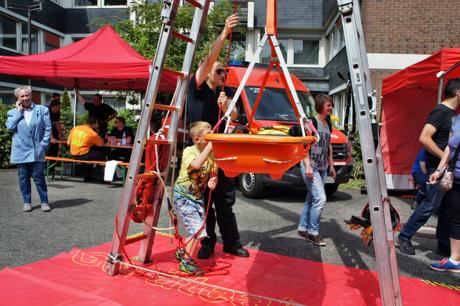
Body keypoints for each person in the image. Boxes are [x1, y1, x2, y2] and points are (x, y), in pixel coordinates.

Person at [186, 14, 249, 259]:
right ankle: (207, 243)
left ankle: (231, 242)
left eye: (224, 71)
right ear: (208, 71)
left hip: (220, 154)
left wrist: (227, 109)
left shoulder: (225, 91)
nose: (223, 74)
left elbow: (235, 116)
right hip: (201, 153)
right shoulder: (198, 86)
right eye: (219, 70)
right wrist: (224, 34)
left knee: (225, 201)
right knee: (204, 202)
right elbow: (211, 57)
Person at [398, 78, 460, 256]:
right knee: (429, 206)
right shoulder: (441, 111)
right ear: (458, 93)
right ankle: (404, 236)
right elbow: (424, 137)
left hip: (446, 170)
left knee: (448, 210)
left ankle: (443, 245)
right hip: (437, 168)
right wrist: (445, 159)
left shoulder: (451, 114)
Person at [173, 121, 218, 275]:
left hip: (197, 197)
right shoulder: (189, 151)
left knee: (199, 228)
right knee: (197, 229)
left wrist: (214, 179)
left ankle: (182, 251)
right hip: (184, 196)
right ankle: (186, 263)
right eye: (208, 134)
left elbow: (214, 170)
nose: (212, 136)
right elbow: (196, 165)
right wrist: (210, 147)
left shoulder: (212, 153)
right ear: (197, 139)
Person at [297, 94, 336, 246]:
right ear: (320, 106)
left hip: (323, 167)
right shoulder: (311, 123)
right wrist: (307, 165)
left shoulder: (328, 124)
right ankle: (313, 233)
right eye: (328, 105)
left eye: (331, 105)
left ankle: (302, 228)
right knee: (320, 199)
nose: (331, 108)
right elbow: (304, 145)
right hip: (311, 165)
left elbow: (328, 146)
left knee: (311, 199)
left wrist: (331, 165)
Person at [6, 86, 51, 212]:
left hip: (37, 150)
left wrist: (42, 145)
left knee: (39, 177)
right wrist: (19, 111)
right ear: (18, 98)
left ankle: (44, 201)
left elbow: (47, 129)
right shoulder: (12, 112)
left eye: (27, 95)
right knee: (23, 177)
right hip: (20, 150)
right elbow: (9, 127)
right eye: (22, 96)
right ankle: (27, 202)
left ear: (31, 96)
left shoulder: (42, 110)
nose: (25, 98)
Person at [429, 113, 460, 272]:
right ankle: (455, 260)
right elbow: (449, 147)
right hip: (456, 177)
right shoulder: (456, 119)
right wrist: (439, 170)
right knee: (455, 218)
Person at [67, 117, 106, 181]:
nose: (98, 125)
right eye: (97, 124)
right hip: (83, 155)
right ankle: (99, 176)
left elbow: (68, 143)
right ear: (95, 124)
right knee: (101, 155)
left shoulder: (75, 128)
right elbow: (101, 144)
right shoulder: (92, 133)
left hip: (73, 155)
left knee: (92, 155)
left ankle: (88, 175)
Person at [47, 98, 63, 179]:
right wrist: (52, 138)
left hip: (52, 134)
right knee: (48, 152)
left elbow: (57, 124)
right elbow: (47, 126)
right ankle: (44, 171)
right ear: (54, 107)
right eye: (59, 107)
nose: (59, 109)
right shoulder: (47, 111)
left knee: (54, 152)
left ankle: (51, 170)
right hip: (45, 135)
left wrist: (62, 135)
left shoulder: (56, 113)